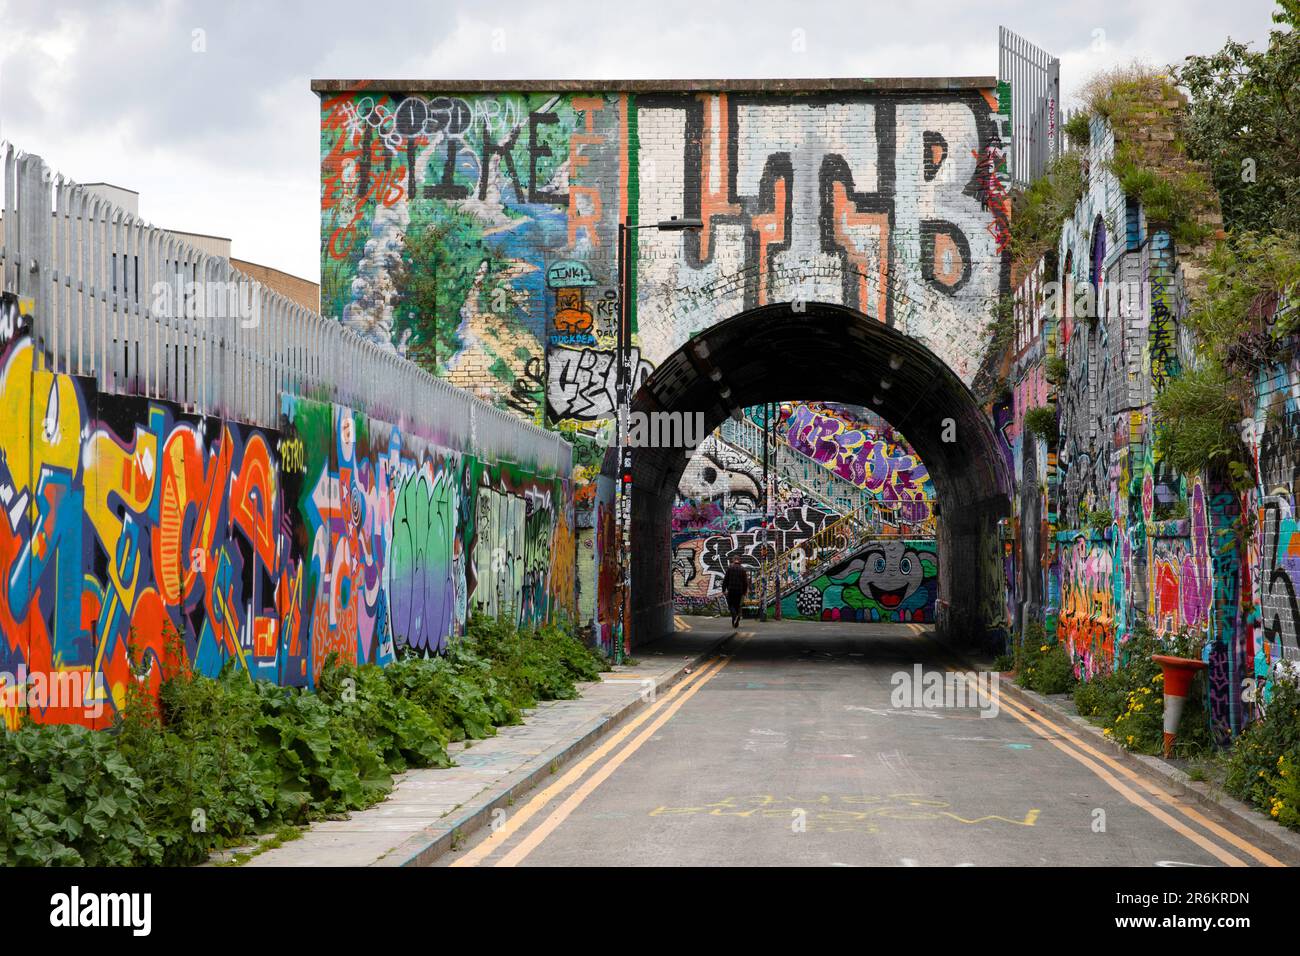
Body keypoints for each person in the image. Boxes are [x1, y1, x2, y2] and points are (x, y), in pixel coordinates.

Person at [721, 556, 749, 629]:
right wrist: (745, 591)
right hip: (739, 591)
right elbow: (745, 582)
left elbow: (725, 580)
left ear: (733, 560)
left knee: (730, 605)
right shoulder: (743, 569)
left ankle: (735, 616)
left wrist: (723, 589)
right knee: (737, 606)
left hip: (731, 590)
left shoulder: (730, 568)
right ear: (739, 561)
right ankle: (735, 623)